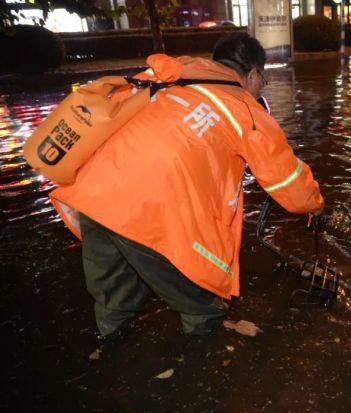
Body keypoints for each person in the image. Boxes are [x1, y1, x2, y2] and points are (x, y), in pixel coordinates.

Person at [49, 34, 324, 337]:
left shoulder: (167, 76)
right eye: (264, 80)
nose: (262, 88)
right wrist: (316, 204)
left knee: (115, 302)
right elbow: (290, 183)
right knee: (202, 304)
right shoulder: (244, 109)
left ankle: (109, 356)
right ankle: (207, 366)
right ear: (255, 74)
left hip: (93, 192)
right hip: (146, 209)